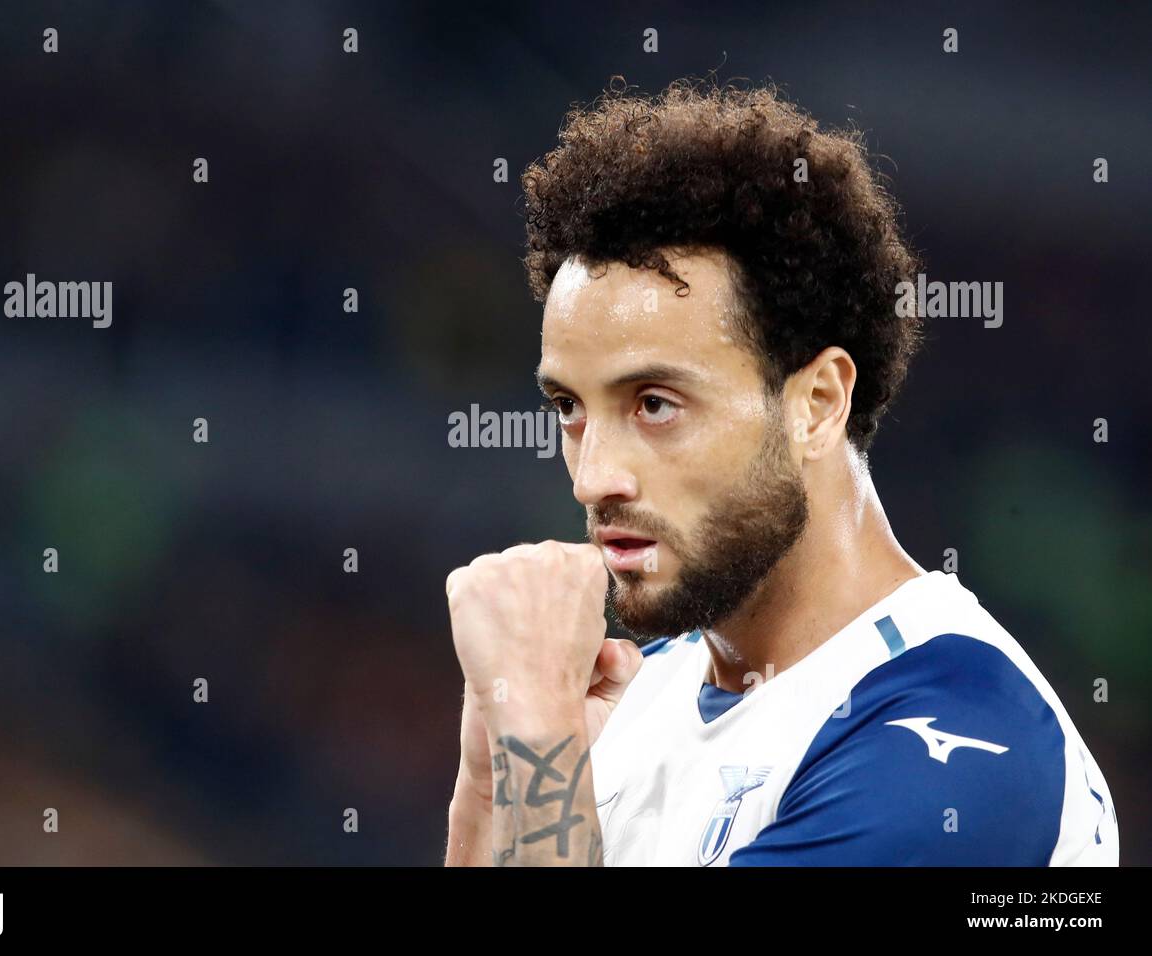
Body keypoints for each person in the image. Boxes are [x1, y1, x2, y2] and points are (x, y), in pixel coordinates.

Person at [443, 79, 1118, 866]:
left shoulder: (959, 748)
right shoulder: (633, 698)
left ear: (818, 403)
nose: (593, 479)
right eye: (570, 407)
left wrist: (533, 722)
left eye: (655, 403)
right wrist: (495, 768)